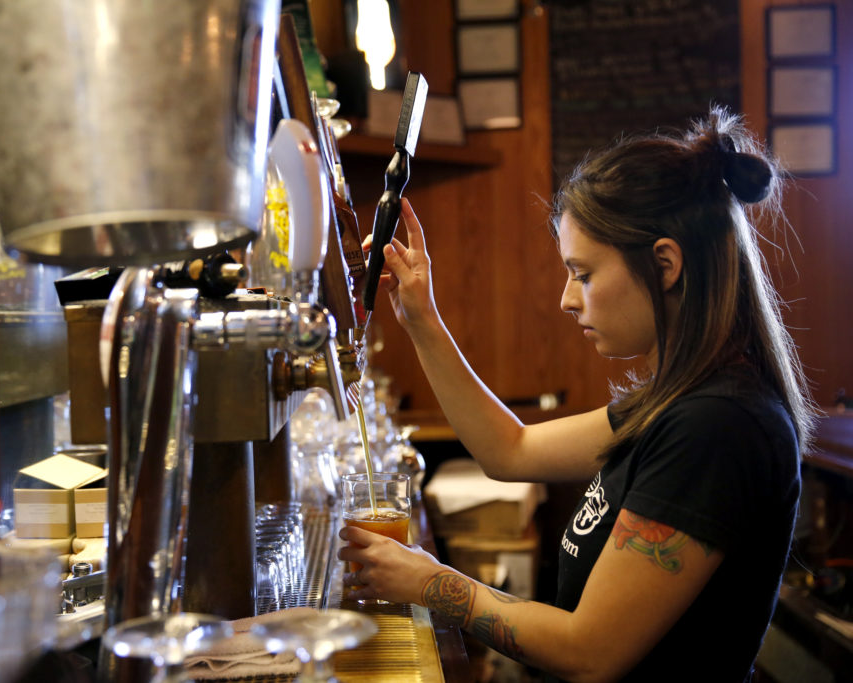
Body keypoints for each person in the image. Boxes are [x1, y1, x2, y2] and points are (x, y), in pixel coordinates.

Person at [339, 106, 815, 682]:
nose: (568, 299)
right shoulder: (676, 402)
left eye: (583, 274)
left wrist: (432, 583)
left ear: (665, 263)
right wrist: (421, 315)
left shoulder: (717, 426)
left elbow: (591, 653)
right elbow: (509, 450)